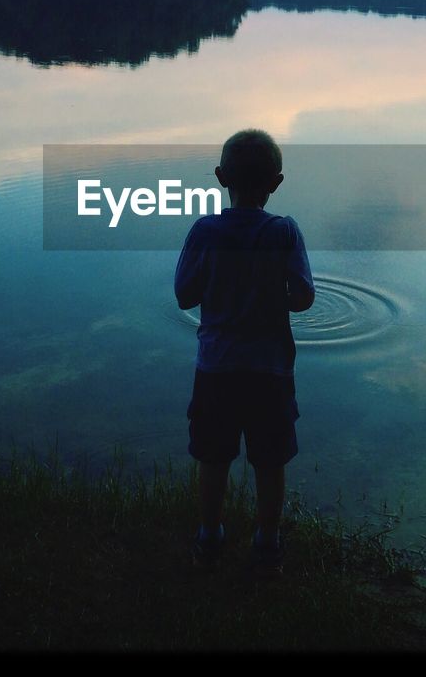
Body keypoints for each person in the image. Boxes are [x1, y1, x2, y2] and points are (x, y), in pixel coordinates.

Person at [174, 129, 315, 577]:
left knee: (213, 458)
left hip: (216, 369)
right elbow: (305, 296)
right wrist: (274, 296)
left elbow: (183, 294)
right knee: (270, 462)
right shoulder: (285, 231)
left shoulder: (204, 230)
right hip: (270, 371)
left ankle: (210, 536)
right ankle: (267, 545)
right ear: (276, 182)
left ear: (219, 178)